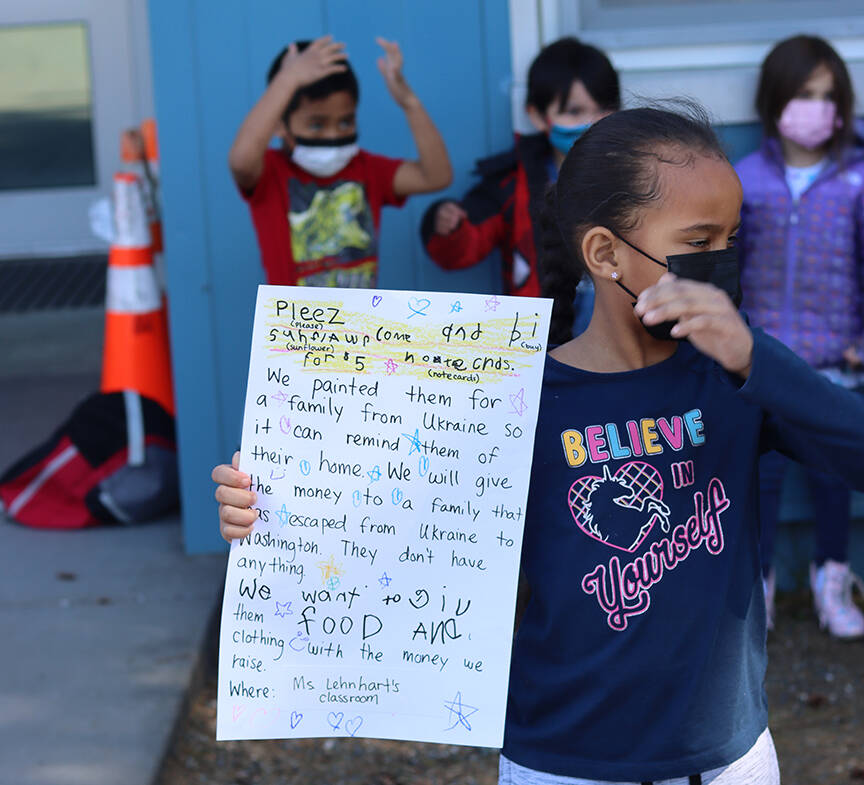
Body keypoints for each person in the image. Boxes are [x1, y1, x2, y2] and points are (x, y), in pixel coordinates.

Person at [213, 105, 864, 783]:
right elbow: (391, 532)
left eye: (732, 238)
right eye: (699, 242)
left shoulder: (737, 374)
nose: (721, 262)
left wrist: (754, 355)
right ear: (606, 253)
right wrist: (270, 512)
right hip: (562, 760)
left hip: (727, 758)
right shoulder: (518, 397)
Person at [735, 35, 864, 638]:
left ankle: (832, 578)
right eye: (800, 94)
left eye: (825, 95)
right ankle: (756, 584)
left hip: (835, 359)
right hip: (760, 359)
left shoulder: (856, 180)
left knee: (834, 477)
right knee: (757, 478)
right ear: (773, 101)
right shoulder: (744, 180)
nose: (812, 107)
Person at [420, 37, 619, 321]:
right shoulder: (511, 184)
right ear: (537, 116)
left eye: (604, 108)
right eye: (574, 112)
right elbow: (461, 251)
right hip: (542, 346)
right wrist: (448, 226)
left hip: (625, 344)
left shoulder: (640, 175)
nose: (592, 122)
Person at [229, 35, 451, 286]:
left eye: (345, 122)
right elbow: (241, 161)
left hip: (357, 325)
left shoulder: (367, 169)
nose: (333, 136)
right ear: (279, 124)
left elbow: (436, 176)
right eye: (316, 125)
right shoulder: (271, 173)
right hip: (292, 325)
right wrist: (288, 79)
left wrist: (410, 103)